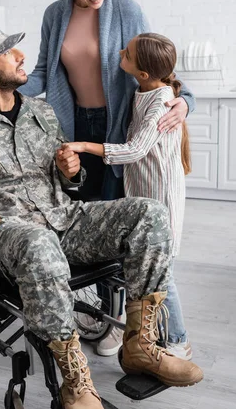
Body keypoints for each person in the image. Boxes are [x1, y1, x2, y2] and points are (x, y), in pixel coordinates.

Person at [0, 26, 203, 409]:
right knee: (39, 242)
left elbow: (69, 181)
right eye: (10, 52)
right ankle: (73, 379)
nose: (21, 56)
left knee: (149, 214)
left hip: (66, 219)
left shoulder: (42, 113)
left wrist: (73, 173)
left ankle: (141, 346)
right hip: (10, 232)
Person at [17, 0, 197, 357]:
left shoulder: (128, 10)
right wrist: (9, 85)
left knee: (125, 229)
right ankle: (108, 321)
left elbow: (159, 67)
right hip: (75, 128)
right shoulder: (55, 15)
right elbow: (44, 73)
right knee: (89, 225)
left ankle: (144, 328)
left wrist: (187, 101)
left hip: (116, 132)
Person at [61, 33, 193, 360]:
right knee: (134, 263)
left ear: (143, 72)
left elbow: (134, 150)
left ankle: (179, 342)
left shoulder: (161, 104)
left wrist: (84, 146)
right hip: (141, 196)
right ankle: (133, 327)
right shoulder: (141, 90)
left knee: (163, 273)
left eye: (128, 53)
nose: (121, 51)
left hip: (160, 199)